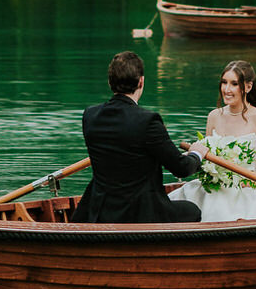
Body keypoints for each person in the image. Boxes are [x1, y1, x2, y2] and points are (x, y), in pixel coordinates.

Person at [72, 50, 207, 223]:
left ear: (109, 82)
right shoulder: (148, 121)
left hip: (99, 212)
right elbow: (181, 168)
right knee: (192, 211)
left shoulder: (90, 116)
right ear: (141, 81)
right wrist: (196, 154)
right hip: (140, 214)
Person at [173, 59, 256, 223]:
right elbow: (207, 157)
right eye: (224, 83)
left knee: (220, 209)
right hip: (215, 188)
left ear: (248, 87)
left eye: (234, 84)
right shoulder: (214, 116)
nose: (226, 89)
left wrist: (239, 182)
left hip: (249, 192)